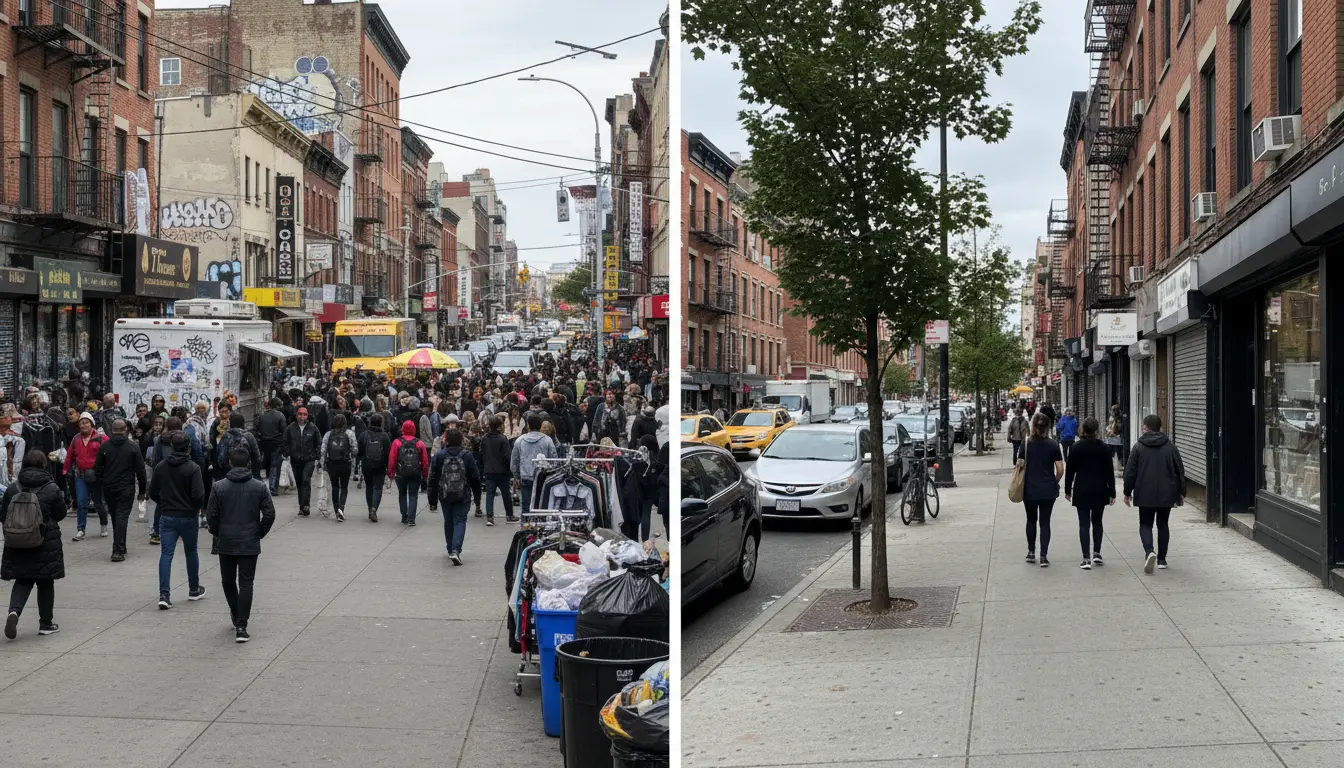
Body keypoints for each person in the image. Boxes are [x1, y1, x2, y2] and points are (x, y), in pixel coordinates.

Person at [205, 446, 275, 643]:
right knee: (246, 582)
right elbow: (269, 514)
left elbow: (212, 515)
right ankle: (241, 624)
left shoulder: (219, 487)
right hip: (249, 541)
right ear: (249, 464)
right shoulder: (259, 486)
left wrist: (218, 532)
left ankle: (237, 615)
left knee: (228, 581)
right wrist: (258, 532)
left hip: (227, 540)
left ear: (229, 462)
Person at [2, 449, 67, 640]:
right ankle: (45, 623)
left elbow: (3, 515)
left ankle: (14, 612)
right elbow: (61, 514)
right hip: (44, 542)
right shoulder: (52, 488)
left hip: (17, 543)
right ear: (43, 465)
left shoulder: (13, 488)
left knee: (22, 580)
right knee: (45, 582)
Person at [149, 432, 207, 608]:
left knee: (166, 554)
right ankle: (194, 589)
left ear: (172, 447)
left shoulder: (161, 466)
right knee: (191, 552)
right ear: (188, 447)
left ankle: (164, 595)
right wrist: (195, 507)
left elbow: (153, 492)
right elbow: (199, 495)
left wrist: (164, 502)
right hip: (188, 516)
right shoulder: (193, 468)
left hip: (167, 515)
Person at [1124, 413, 1187, 574]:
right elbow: (1179, 469)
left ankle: (1149, 551)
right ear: (1160, 428)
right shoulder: (1170, 446)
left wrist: (1127, 492)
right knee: (1163, 524)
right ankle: (1162, 559)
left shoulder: (1138, 447)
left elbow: (1130, 472)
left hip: (1144, 492)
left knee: (1145, 523)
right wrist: (1181, 491)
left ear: (1145, 428)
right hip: (1167, 493)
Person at [1064, 417, 1114, 570]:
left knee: (1084, 523)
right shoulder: (1105, 448)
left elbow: (1070, 471)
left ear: (1083, 430)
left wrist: (1067, 490)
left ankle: (1086, 558)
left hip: (1082, 488)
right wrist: (1112, 491)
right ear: (1097, 431)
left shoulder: (1075, 448)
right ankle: (1097, 552)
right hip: (1100, 489)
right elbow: (1109, 472)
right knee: (1097, 521)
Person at [93, 419, 147, 562]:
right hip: (126, 488)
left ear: (112, 430)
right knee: (122, 517)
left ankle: (120, 546)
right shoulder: (132, 447)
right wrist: (142, 490)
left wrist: (100, 486)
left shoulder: (105, 447)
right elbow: (141, 471)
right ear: (125, 430)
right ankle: (118, 549)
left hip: (109, 487)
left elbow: (97, 469)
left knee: (117, 517)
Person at [428, 428, 481, 565]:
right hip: (463, 492)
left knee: (448, 520)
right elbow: (474, 477)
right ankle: (455, 550)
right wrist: (477, 496)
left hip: (444, 493)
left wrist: (432, 499)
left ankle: (450, 547)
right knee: (460, 520)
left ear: (446, 440)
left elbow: (433, 477)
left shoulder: (440, 456)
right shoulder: (467, 455)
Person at [1021, 412, 1063, 567]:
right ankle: (1043, 555)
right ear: (1048, 427)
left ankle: (1031, 552)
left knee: (1031, 519)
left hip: (1029, 488)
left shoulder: (1026, 444)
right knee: (1045, 522)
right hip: (1047, 490)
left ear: (1033, 426)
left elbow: (1018, 463)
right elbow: (1060, 468)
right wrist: (1055, 480)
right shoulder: (1053, 445)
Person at [63, 412, 106, 541]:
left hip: (97, 476)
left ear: (91, 424)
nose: (83, 425)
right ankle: (81, 530)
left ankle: (104, 524)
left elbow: (109, 451)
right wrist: (65, 469)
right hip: (80, 475)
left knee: (98, 502)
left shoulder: (101, 437)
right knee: (82, 503)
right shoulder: (76, 439)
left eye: (86, 422)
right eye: (81, 423)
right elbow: (70, 455)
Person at [511, 415, 557, 519]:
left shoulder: (520, 440)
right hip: (543, 478)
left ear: (528, 426)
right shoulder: (547, 440)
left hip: (525, 477)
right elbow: (554, 460)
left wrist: (516, 476)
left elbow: (514, 461)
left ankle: (525, 527)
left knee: (526, 505)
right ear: (540, 426)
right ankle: (540, 527)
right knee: (542, 505)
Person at [388, 420, 429, 526]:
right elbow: (425, 460)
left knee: (402, 494)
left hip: (401, 472)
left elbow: (392, 459)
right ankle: (411, 518)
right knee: (413, 494)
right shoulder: (419, 443)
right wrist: (425, 474)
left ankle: (404, 516)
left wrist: (391, 473)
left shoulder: (397, 442)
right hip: (415, 472)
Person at [319, 413, 357, 522]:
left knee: (335, 487)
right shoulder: (349, 433)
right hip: (345, 463)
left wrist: (323, 464)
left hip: (332, 463)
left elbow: (323, 451)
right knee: (344, 487)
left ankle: (336, 511)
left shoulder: (328, 434)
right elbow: (354, 449)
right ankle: (341, 508)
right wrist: (352, 459)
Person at [284, 406, 321, 517]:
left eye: (304, 414)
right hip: (295, 460)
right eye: (300, 414)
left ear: (307, 415)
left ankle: (306, 505)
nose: (302, 417)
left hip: (309, 459)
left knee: (306, 480)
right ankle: (301, 506)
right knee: (299, 482)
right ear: (296, 415)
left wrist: (316, 456)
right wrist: (287, 453)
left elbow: (318, 442)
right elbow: (285, 442)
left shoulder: (313, 428)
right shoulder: (290, 428)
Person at [480, 416, 514, 525]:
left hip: (489, 469)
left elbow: (482, 453)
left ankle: (490, 517)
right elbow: (507, 456)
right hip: (502, 471)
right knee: (506, 494)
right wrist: (511, 469)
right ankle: (509, 515)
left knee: (490, 494)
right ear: (500, 426)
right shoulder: (503, 439)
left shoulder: (485, 438)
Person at [357, 413, 391, 522]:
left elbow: (360, 451)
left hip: (367, 465)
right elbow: (387, 453)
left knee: (369, 487)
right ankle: (374, 508)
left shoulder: (364, 435)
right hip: (380, 465)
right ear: (381, 423)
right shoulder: (385, 436)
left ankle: (369, 507)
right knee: (378, 488)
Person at [254, 397, 288, 495]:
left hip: (264, 444)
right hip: (276, 444)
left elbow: (257, 430)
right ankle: (273, 488)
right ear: (277, 406)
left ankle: (263, 488)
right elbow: (284, 431)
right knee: (274, 466)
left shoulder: (262, 415)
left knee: (264, 467)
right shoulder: (280, 415)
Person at [1105, 404, 1126, 470]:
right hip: (1111, 438)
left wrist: (1115, 433)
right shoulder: (1111, 417)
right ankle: (1111, 466)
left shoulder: (1120, 419)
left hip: (1117, 439)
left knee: (1118, 453)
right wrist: (1108, 429)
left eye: (1112, 410)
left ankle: (1120, 466)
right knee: (1111, 453)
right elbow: (1109, 427)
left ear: (1116, 411)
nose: (1111, 411)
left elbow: (1120, 429)